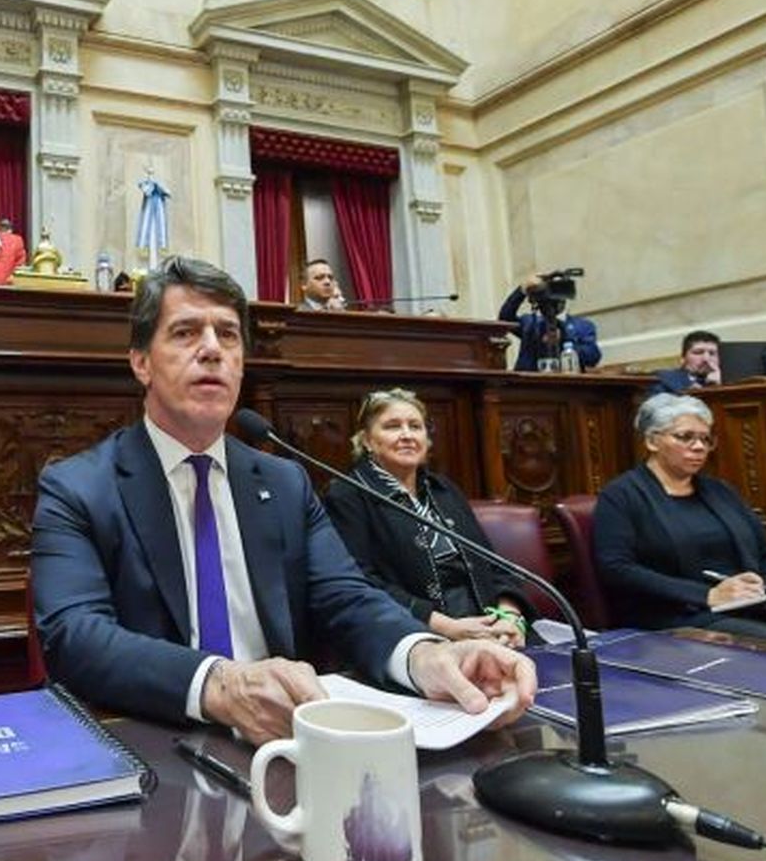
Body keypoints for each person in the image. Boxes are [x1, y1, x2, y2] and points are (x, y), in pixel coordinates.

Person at [30, 256, 535, 745]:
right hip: (158, 743)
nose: (212, 350)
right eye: (185, 333)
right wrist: (218, 685)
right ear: (141, 362)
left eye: (228, 335)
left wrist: (423, 655)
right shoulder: (79, 488)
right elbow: (76, 636)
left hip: (291, 744)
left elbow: (347, 599)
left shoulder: (285, 482)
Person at [594, 393, 766, 651]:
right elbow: (617, 569)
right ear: (651, 441)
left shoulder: (721, 491)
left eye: (705, 439)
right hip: (675, 612)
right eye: (685, 437)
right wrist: (707, 595)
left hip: (747, 604)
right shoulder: (621, 495)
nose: (699, 446)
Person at [324, 388, 534, 647]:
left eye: (415, 426)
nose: (407, 435)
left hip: (494, 626)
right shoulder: (348, 495)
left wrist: (510, 617)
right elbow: (362, 583)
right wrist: (447, 627)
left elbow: (494, 565)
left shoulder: (443, 489)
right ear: (366, 441)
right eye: (392, 426)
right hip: (419, 636)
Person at [498, 272, 601, 371]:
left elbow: (593, 357)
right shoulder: (530, 323)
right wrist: (522, 290)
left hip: (567, 383)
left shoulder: (582, 326)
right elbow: (505, 319)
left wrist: (564, 341)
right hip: (529, 384)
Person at [651, 330, 721, 395]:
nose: (706, 359)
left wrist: (722, 385)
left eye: (712, 353)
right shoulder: (664, 379)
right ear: (683, 358)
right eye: (698, 352)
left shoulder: (727, 380)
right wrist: (690, 393)